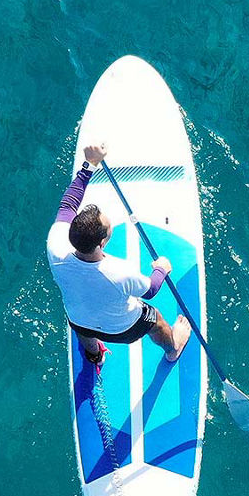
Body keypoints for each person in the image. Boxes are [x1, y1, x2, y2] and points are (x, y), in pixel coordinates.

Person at [46, 143, 190, 366]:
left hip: (78, 321)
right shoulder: (119, 272)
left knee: (82, 325)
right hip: (123, 329)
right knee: (156, 319)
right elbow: (150, 289)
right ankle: (173, 348)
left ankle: (95, 355)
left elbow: (68, 203)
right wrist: (162, 268)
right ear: (102, 242)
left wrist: (89, 165)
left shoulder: (56, 247)